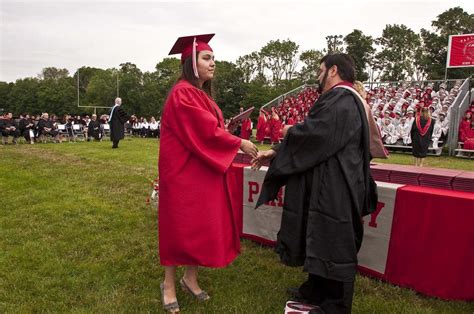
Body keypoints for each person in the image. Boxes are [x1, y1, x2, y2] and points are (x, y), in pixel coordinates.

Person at [252, 54, 376, 313]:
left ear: (333, 71)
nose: (318, 78)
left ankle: (335, 304)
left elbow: (314, 135)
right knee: (319, 237)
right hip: (329, 182)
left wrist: (289, 132)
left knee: (335, 241)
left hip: (338, 186)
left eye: (320, 71)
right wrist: (276, 151)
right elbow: (317, 134)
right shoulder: (341, 99)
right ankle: (316, 289)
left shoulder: (343, 99)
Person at [158, 34, 258, 313]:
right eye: (207, 58)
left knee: (197, 225)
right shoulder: (182, 92)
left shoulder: (199, 93)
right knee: (177, 226)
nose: (213, 63)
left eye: (214, 58)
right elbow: (203, 130)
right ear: (192, 62)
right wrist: (238, 142)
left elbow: (211, 130)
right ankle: (168, 284)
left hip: (198, 169)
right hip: (181, 172)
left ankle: (190, 278)